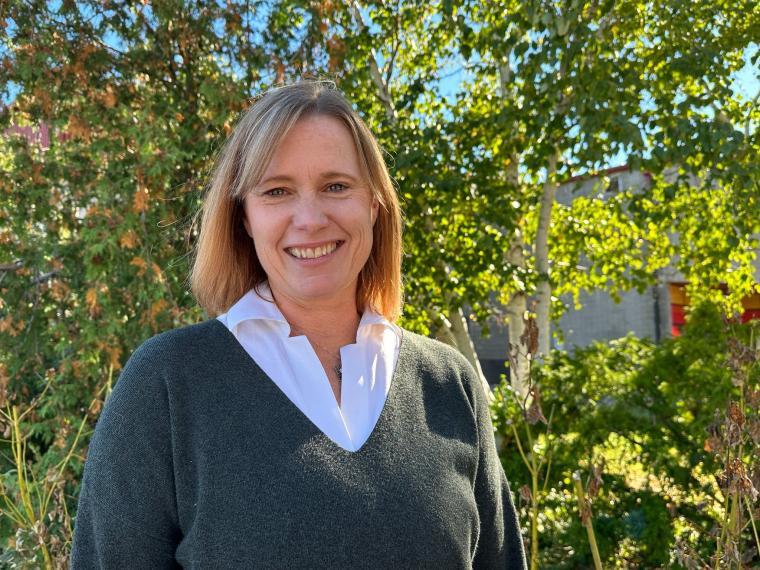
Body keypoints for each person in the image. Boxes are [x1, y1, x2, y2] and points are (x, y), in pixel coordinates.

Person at [70, 80, 527, 569]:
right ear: (244, 216)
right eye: (277, 191)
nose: (309, 219)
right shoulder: (167, 382)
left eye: (336, 186)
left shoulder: (448, 384)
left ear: (374, 204)